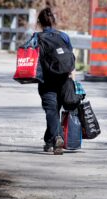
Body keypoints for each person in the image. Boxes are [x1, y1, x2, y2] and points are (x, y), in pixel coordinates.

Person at [36, 7, 74, 155]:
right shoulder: (64, 36)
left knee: (51, 110)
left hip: (46, 80)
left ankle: (58, 137)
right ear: (54, 21)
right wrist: (73, 81)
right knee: (54, 111)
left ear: (39, 22)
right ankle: (49, 141)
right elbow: (71, 57)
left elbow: (26, 54)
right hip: (64, 79)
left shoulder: (36, 38)